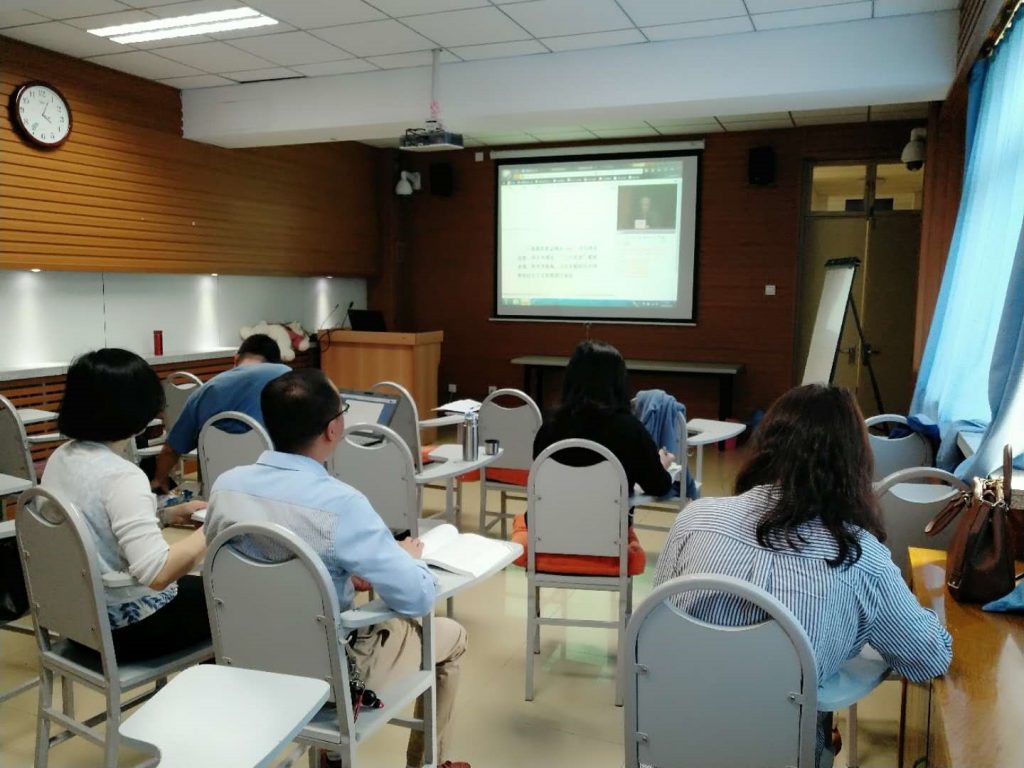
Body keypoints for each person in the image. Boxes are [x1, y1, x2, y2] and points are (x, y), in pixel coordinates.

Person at [653, 384, 952, 766]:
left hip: (672, 741)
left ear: (766, 446)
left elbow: (652, 633)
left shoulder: (696, 519)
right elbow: (928, 659)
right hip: (779, 753)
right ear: (855, 465)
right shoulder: (860, 558)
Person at [204, 369, 470, 768]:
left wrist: (340, 574)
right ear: (334, 428)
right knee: (452, 636)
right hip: (332, 675)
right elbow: (416, 598)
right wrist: (407, 560)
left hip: (248, 661)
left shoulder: (226, 487)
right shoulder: (341, 504)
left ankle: (330, 756)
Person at [41, 349, 210, 662]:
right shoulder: (122, 476)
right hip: (128, 629)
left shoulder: (61, 457)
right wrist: (213, 527)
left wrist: (167, 514)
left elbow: (95, 520)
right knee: (229, 595)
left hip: (77, 621)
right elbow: (157, 573)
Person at [533, 340, 673, 504]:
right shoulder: (630, 430)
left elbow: (538, 478)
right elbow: (659, 487)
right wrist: (661, 464)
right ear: (619, 382)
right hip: (607, 521)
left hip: (548, 519)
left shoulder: (550, 425)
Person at [151, 333, 290, 493]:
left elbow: (171, 449)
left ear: (235, 359)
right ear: (276, 361)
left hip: (218, 492)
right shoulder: (286, 378)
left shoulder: (202, 393)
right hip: (276, 488)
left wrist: (159, 479)